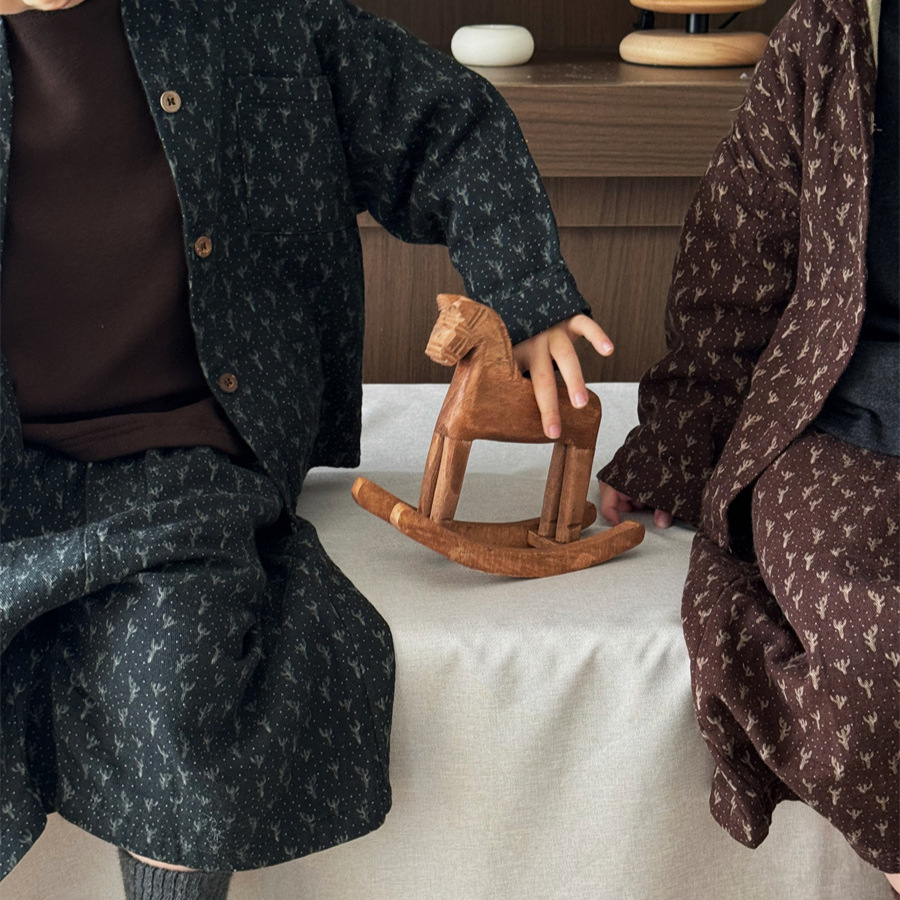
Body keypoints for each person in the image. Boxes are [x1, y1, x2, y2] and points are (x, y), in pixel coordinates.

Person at [0, 0, 612, 896]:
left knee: (181, 696)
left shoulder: (256, 18)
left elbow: (447, 121)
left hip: (192, 448)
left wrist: (526, 289)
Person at [598, 0, 899, 890]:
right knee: (872, 647)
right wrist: (677, 440)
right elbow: (740, 249)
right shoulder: (836, 29)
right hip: (842, 414)